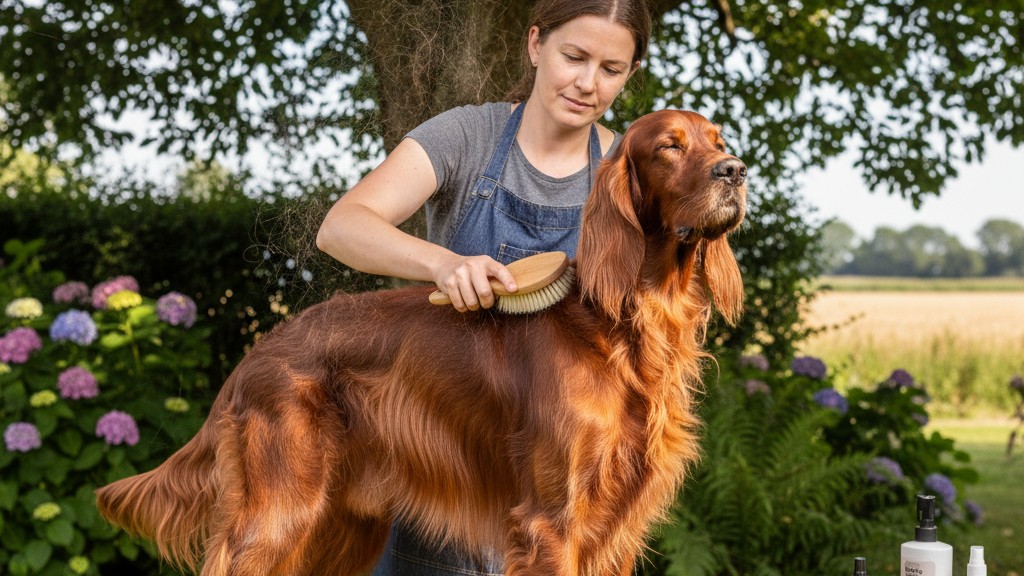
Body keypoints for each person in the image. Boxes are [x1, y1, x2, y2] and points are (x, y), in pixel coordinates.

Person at [316, 0, 652, 572]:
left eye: (611, 69)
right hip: (446, 464)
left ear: (630, 75)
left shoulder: (626, 172)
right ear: (535, 45)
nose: (587, 83)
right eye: (573, 57)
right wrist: (443, 263)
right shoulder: (467, 136)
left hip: (558, 475)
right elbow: (341, 227)